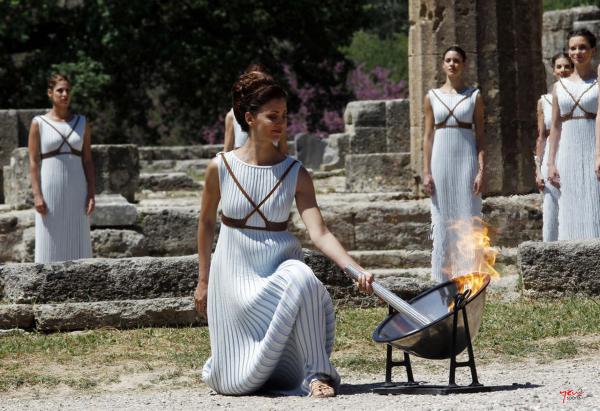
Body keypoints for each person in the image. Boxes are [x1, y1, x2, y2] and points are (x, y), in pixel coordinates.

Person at [195, 72, 374, 397]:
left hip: (278, 267)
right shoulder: (219, 167)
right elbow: (206, 223)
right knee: (235, 384)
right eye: (272, 116)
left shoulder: (295, 172)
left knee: (302, 277)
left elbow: (319, 233)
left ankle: (315, 374)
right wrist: (203, 281)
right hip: (233, 274)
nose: (280, 123)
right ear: (249, 118)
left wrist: (354, 268)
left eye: (284, 116)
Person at [422, 46, 485, 283]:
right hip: (440, 161)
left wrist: (481, 170)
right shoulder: (432, 96)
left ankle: (469, 273)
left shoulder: (474, 96)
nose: (452, 64)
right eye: (448, 60)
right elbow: (428, 136)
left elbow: (481, 137)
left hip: (466, 160)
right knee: (441, 216)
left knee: (468, 214)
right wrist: (426, 171)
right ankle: (441, 276)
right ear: (442, 64)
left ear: (464, 64)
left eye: (456, 60)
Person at [28, 73, 95, 263]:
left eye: (67, 90)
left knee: (78, 232)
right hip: (50, 187)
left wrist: (91, 192)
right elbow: (33, 161)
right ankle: (47, 283)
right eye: (60, 90)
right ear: (50, 93)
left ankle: (83, 282)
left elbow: (88, 161)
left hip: (77, 186)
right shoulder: (38, 123)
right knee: (50, 235)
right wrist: (37, 194)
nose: (64, 94)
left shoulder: (82, 122)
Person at [547, 28, 600, 240]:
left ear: (592, 50)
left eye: (582, 47)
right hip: (567, 151)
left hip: (591, 147)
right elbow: (555, 127)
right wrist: (551, 162)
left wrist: (598, 154)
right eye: (573, 48)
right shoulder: (559, 86)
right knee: (569, 205)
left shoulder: (597, 82)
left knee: (594, 202)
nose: (577, 52)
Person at [535, 53, 573, 242]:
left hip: (574, 150)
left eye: (567, 66)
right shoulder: (544, 101)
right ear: (553, 70)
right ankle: (550, 249)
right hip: (552, 154)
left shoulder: (580, 96)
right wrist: (537, 170)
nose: (563, 71)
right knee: (551, 205)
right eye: (559, 67)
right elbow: (541, 137)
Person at [223, 64, 288, 154]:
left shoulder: (279, 116)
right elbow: (227, 149)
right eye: (253, 82)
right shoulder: (232, 115)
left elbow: (283, 149)